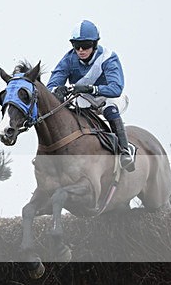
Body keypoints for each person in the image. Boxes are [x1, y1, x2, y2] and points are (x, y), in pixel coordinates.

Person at [47, 20, 135, 172]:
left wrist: (91, 88)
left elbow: (116, 88)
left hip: (109, 97)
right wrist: (57, 90)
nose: (81, 50)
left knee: (110, 109)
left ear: (94, 44)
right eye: (76, 46)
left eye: (86, 45)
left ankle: (125, 150)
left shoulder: (108, 57)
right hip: (84, 98)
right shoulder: (68, 59)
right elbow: (51, 86)